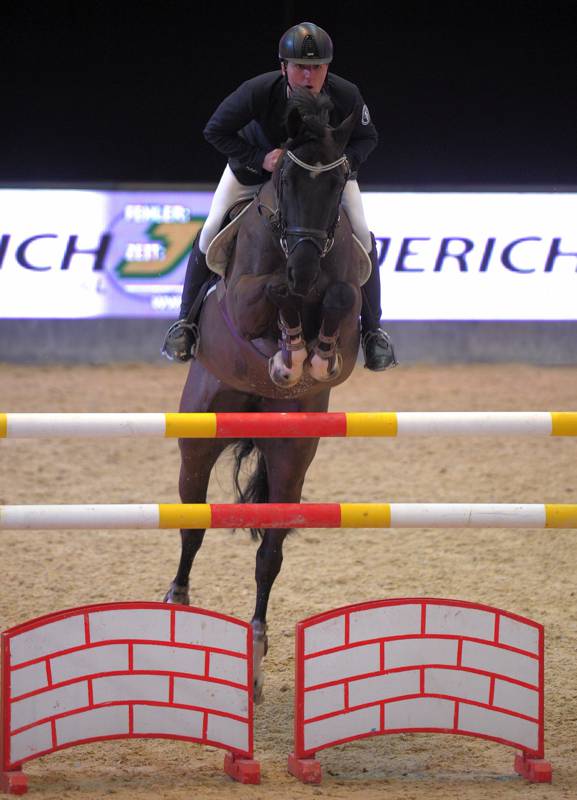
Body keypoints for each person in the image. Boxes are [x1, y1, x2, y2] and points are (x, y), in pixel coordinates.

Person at [162, 21, 397, 371]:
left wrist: (345, 163)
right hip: (255, 173)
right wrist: (260, 158)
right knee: (211, 229)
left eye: (316, 67)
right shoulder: (258, 91)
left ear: (327, 68)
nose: (308, 75)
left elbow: (368, 138)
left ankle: (373, 333)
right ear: (283, 66)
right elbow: (215, 130)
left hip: (321, 177)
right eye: (300, 66)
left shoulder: (346, 94)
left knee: (362, 233)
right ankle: (186, 324)